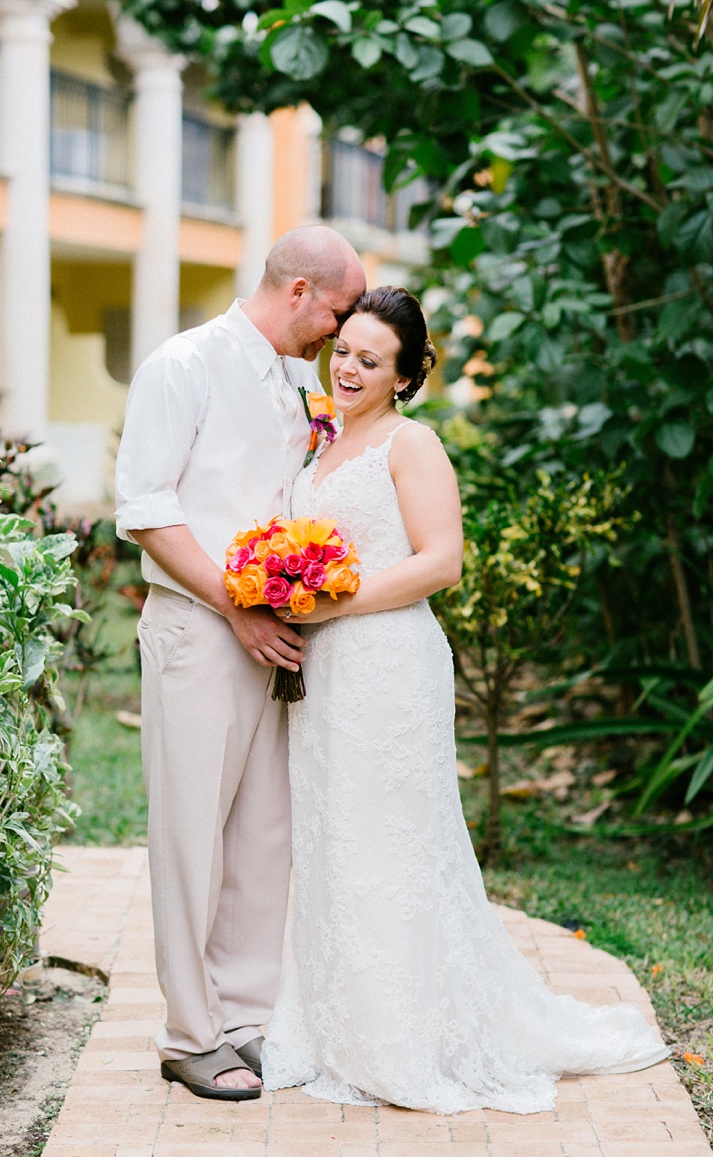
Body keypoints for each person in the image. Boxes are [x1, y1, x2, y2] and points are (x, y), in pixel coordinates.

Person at [261, 286, 669, 1113]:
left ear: (406, 375)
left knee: (394, 843)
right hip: (324, 673)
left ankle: (408, 1036)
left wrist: (332, 602)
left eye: (370, 361)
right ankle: (336, 1023)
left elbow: (441, 560)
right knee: (333, 835)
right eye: (343, 350)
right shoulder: (323, 446)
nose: (347, 367)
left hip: (386, 664)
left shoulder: (412, 445)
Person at [114, 225, 367, 1101]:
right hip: (199, 631)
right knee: (192, 836)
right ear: (299, 291)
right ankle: (189, 1032)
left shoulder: (296, 383)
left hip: (274, 634)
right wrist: (235, 605)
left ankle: (245, 1018)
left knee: (263, 833)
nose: (338, 334)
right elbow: (146, 507)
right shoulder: (183, 365)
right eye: (336, 313)